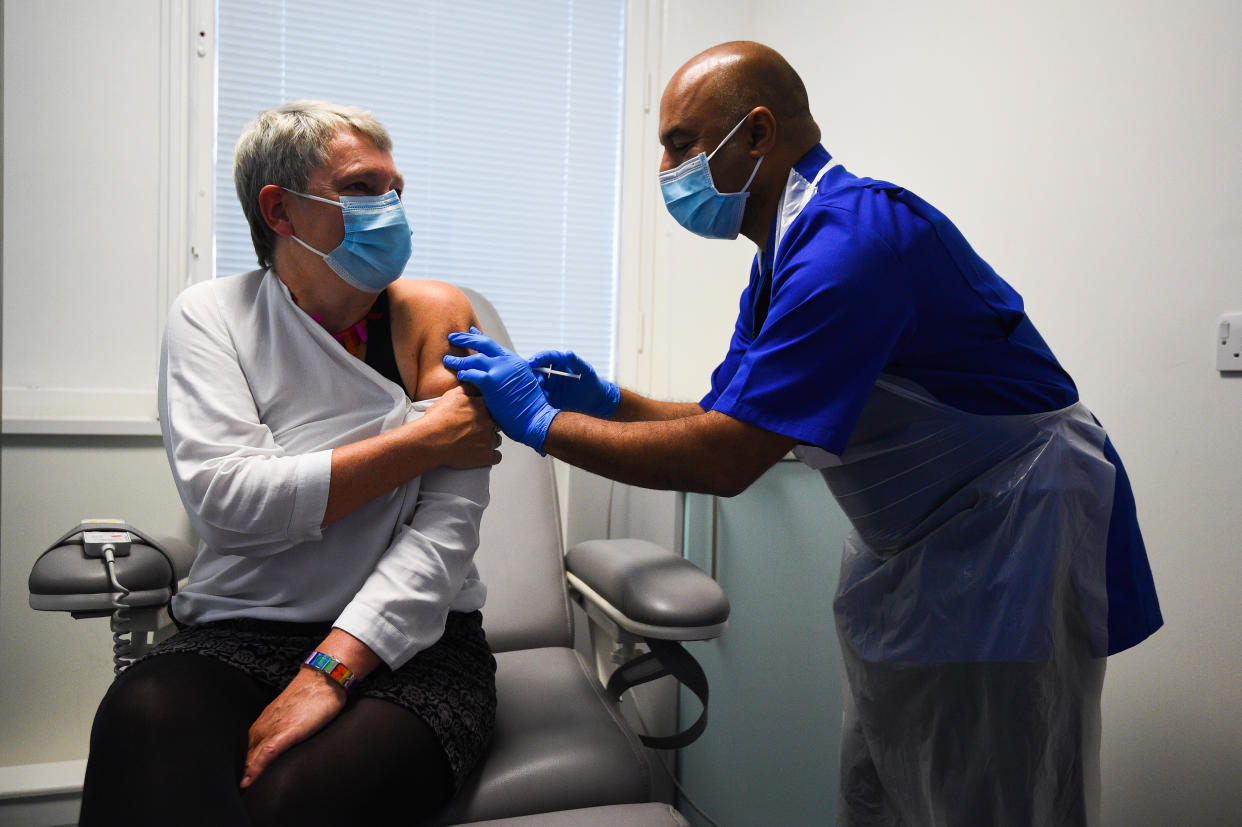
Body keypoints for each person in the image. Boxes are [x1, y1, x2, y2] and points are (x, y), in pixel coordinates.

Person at [444, 42, 1164, 826]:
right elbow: (725, 417)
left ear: (756, 134)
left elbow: (727, 458)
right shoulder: (787, 252)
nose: (664, 167)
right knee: (886, 783)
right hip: (926, 542)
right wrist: (612, 401)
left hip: (1008, 542)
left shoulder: (850, 247)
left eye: (681, 142)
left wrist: (545, 426)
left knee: (991, 794)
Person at [80, 101, 501, 826]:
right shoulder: (211, 316)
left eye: (396, 189)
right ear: (280, 210)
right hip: (239, 625)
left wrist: (334, 667)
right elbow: (232, 503)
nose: (391, 208)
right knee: (139, 718)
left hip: (412, 643)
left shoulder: (437, 314)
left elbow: (447, 527)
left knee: (289, 802)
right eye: (363, 189)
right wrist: (423, 439)